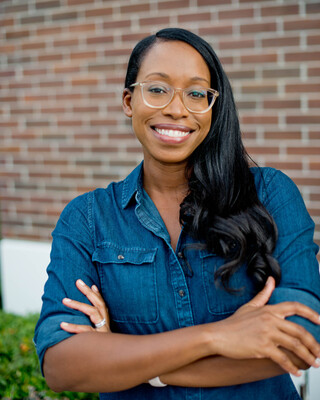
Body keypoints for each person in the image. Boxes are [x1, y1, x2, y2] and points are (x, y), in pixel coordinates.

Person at [34, 28, 320, 399]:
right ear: (128, 101)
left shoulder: (269, 194)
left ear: (212, 107)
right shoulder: (88, 219)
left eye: (197, 93)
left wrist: (138, 365)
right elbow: (61, 365)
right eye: (157, 89)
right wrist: (217, 335)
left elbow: (300, 338)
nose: (177, 108)